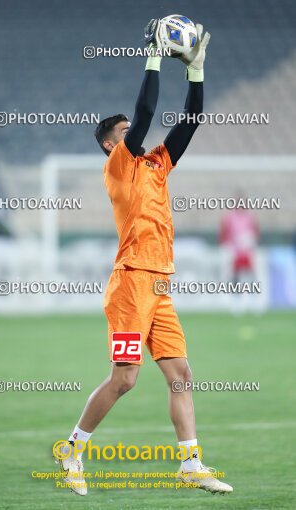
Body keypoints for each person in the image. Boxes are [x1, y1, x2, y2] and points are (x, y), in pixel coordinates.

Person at [58, 18, 232, 496]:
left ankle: (191, 463)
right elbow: (148, 106)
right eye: (125, 130)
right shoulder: (118, 166)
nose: (134, 131)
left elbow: (189, 123)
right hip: (131, 282)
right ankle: (72, 450)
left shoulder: (155, 165)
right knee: (126, 379)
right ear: (109, 144)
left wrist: (196, 71)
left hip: (159, 283)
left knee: (181, 375)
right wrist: (153, 55)